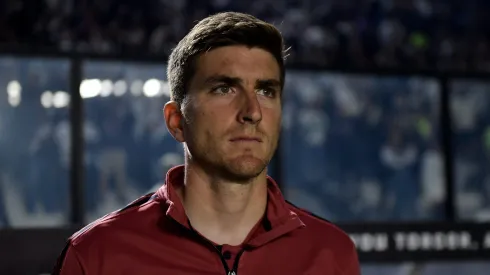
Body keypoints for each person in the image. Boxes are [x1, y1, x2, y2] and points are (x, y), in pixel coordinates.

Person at [53, 12, 360, 275]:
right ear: (176, 120)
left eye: (266, 91)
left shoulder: (330, 254)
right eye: (224, 89)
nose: (252, 112)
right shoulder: (98, 256)